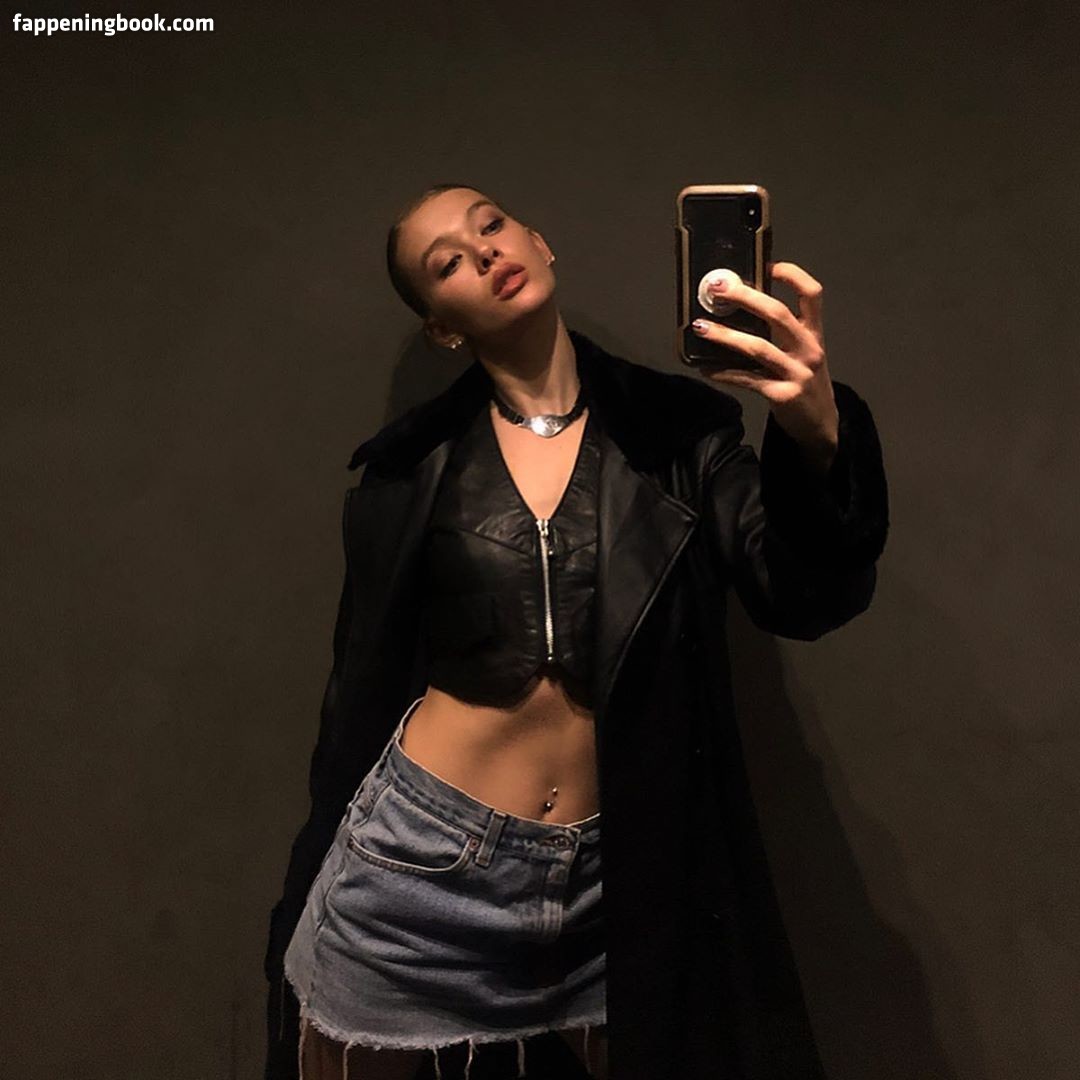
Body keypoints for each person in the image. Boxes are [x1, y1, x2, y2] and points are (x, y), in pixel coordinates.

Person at [263, 184, 889, 1080]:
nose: (484, 251)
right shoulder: (409, 470)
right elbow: (356, 690)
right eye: (448, 262)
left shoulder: (680, 436)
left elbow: (802, 597)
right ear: (442, 326)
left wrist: (816, 430)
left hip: (616, 882)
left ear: (540, 242)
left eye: (491, 225)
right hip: (422, 875)